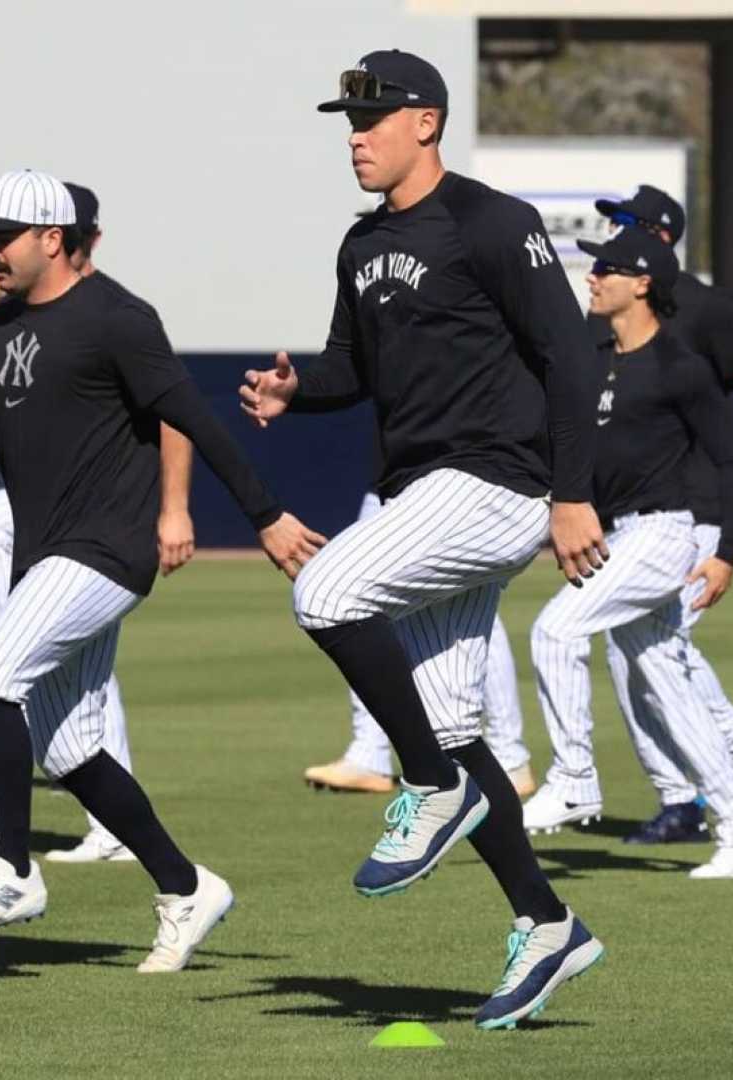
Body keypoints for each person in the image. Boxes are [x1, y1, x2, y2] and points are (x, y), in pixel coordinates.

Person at [0, 169, 321, 973]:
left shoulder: (119, 317)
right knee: (70, 748)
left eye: (1, 237)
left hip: (109, 548)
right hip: (46, 551)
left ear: (52, 239)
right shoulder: (0, 322)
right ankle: (187, 888)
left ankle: (11, 870)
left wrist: (265, 514)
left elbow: (193, 419)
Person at [239, 51, 605, 1029]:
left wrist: (573, 495)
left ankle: (431, 787)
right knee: (447, 723)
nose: (355, 136)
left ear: (427, 123)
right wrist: (295, 391)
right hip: (422, 488)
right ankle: (546, 921)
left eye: (372, 119)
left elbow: (570, 358)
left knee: (323, 593)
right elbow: (347, 368)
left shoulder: (493, 222)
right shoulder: (362, 246)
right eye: (347, 122)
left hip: (496, 482)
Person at [521, 185, 733, 840]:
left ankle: (584, 778)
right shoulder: (601, 347)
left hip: (675, 522)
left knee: (564, 634)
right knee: (659, 670)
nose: (597, 268)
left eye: (611, 257)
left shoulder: (689, 344)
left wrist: (729, 548)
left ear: (647, 270)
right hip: (622, 525)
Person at [302, 488, 534, 798]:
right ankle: (370, 751)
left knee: (470, 604)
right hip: (389, 479)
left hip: (446, 478)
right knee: (362, 601)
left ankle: (508, 754)